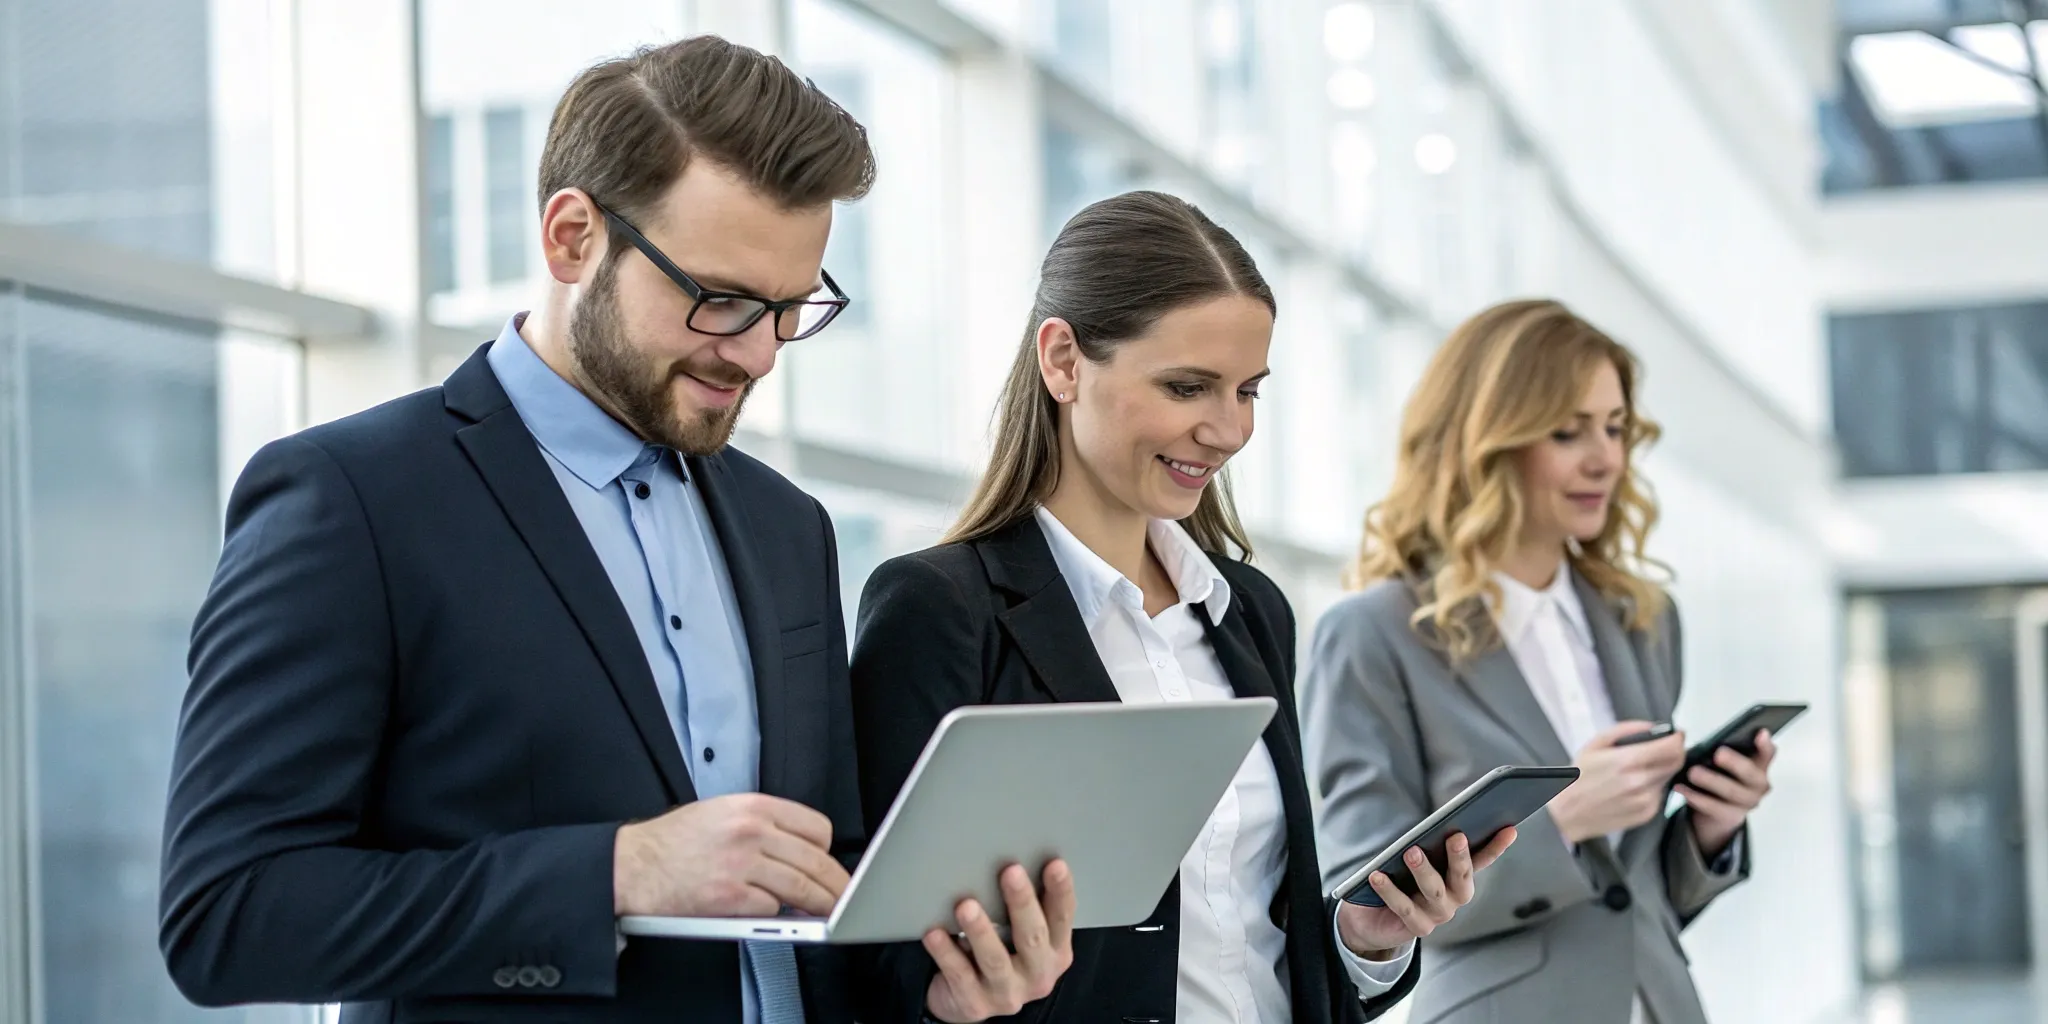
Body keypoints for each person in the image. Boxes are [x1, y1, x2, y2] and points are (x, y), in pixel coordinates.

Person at [158, 35, 1069, 1024]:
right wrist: (615, 870)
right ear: (571, 237)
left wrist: (940, 989)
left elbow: (824, 883)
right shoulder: (353, 500)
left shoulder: (786, 526)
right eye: (718, 300)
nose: (758, 354)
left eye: (788, 308)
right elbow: (226, 915)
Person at [847, 191, 1515, 1024]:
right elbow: (872, 967)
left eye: (1248, 391)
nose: (1229, 430)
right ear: (1063, 362)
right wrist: (948, 1001)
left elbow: (1252, 942)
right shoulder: (942, 609)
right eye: (1189, 387)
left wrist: (1366, 940)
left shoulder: (1250, 610)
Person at [1300, 299, 1778, 1024]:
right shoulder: (1372, 636)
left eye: (1615, 428)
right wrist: (1563, 823)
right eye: (1567, 431)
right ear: (1487, 441)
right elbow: (1363, 903)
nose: (1605, 458)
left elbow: (1636, 889)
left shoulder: (1642, 621)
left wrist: (1712, 825)